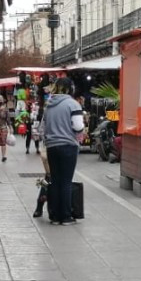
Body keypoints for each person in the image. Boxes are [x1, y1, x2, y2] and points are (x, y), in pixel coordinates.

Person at [44, 77, 84, 225]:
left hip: (51, 146)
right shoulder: (73, 104)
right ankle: (66, 216)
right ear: (70, 89)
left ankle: (54, 216)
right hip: (68, 145)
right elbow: (78, 126)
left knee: (55, 181)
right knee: (66, 182)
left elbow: (43, 126)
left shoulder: (49, 104)